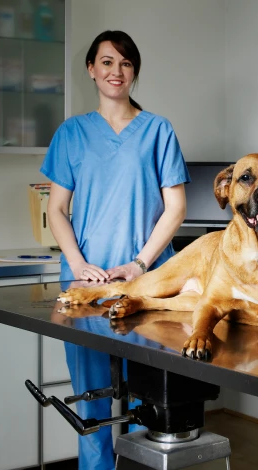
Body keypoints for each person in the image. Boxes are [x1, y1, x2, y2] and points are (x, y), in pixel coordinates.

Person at [40, 29, 191, 469]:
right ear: (91, 69)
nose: (116, 71)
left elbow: (175, 207)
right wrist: (80, 265)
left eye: (125, 63)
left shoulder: (158, 130)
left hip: (147, 285)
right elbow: (57, 210)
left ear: (134, 72)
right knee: (93, 404)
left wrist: (140, 263)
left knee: (150, 400)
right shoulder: (71, 134)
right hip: (88, 288)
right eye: (107, 62)